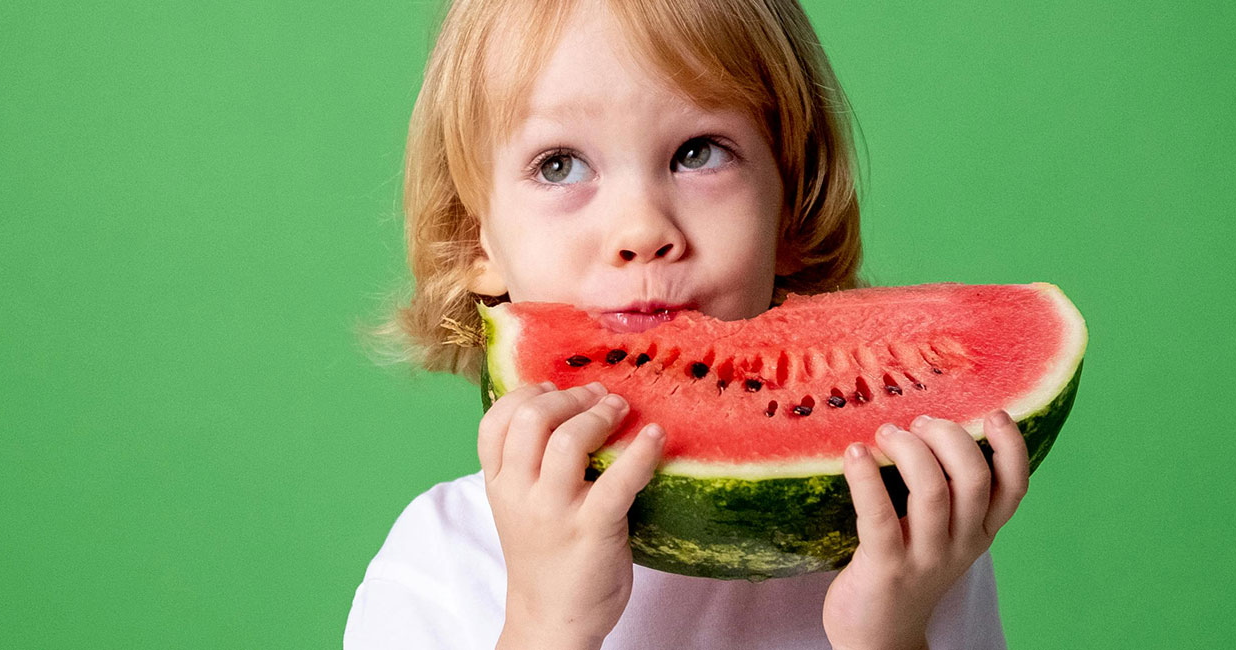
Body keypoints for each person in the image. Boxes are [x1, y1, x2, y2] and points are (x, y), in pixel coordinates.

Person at [348, 0, 1031, 647]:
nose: (642, 229)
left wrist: (890, 635)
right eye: (559, 165)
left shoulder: (911, 536)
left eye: (698, 152)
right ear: (475, 241)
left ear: (790, 206)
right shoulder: (437, 563)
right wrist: (542, 625)